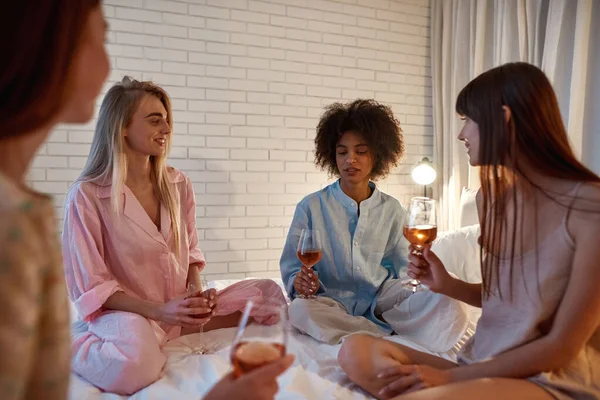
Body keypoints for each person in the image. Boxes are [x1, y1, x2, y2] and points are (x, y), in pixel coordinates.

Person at [337, 62, 600, 400]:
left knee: (422, 395)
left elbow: (563, 345)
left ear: (503, 118)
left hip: (548, 378)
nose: (462, 134)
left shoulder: (589, 207)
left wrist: (447, 381)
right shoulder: (491, 199)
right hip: (484, 364)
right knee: (354, 351)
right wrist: (447, 284)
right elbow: (507, 301)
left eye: (468, 121)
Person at [62, 77, 287, 395]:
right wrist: (157, 311)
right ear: (122, 127)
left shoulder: (178, 184)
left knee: (270, 296)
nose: (167, 129)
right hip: (129, 313)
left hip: (176, 312)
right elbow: (92, 287)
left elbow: (191, 252)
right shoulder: (87, 196)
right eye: (155, 120)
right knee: (136, 368)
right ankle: (65, 344)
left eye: (167, 120)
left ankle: (169, 329)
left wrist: (197, 294)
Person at [280, 99, 468, 346]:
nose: (350, 160)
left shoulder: (392, 209)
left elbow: (404, 273)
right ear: (332, 154)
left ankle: (361, 329)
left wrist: (417, 275)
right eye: (342, 152)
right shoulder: (311, 206)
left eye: (361, 151)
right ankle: (380, 333)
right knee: (300, 310)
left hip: (381, 300)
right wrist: (301, 282)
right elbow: (294, 268)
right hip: (329, 301)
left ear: (377, 154)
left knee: (447, 299)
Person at [0, 1, 110, 399]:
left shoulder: (22, 210)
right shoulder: (9, 222)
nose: (107, 64)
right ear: (50, 46)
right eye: (101, 37)